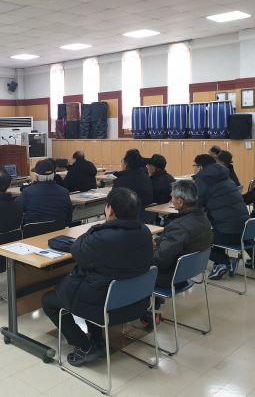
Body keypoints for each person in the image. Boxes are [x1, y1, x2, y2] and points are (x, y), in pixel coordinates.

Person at [41, 188, 153, 367]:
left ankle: (84, 346)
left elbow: (78, 250)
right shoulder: (145, 231)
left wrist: (98, 227)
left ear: (110, 210)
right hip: (135, 302)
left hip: (105, 304)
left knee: (49, 300)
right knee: (93, 287)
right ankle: (97, 339)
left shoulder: (102, 237)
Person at [193, 154, 249, 280]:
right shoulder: (226, 177)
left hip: (229, 233)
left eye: (194, 165)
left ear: (200, 167)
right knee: (214, 229)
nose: (194, 168)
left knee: (195, 239)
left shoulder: (203, 179)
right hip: (245, 231)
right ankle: (225, 261)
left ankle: (223, 261)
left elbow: (196, 204)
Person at [153, 180, 213, 289]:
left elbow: (161, 260)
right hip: (189, 272)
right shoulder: (204, 219)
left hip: (170, 277)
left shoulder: (179, 227)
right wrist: (158, 242)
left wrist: (150, 249)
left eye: (172, 198)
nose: (171, 200)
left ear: (180, 202)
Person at [17, 158, 72, 227]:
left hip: (34, 232)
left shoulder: (27, 192)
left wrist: (31, 184)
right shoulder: (64, 192)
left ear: (36, 176)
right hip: (58, 231)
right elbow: (69, 219)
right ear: (53, 174)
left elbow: (17, 211)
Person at [113, 149, 153, 222]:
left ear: (126, 164)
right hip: (147, 216)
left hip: (128, 217)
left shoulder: (121, 180)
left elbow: (113, 201)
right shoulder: (146, 177)